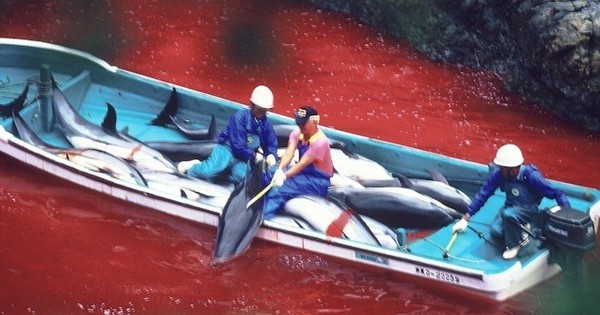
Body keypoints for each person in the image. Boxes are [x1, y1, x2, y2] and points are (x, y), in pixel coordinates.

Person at [452, 144, 571, 260]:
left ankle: (514, 245)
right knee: (496, 231)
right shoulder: (498, 175)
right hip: (510, 207)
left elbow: (557, 192)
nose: (506, 172)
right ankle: (523, 229)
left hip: (528, 209)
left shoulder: (530, 176)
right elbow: (483, 194)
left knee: (508, 215)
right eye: (503, 169)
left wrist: (566, 216)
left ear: (517, 166)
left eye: (509, 169)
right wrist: (466, 218)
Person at [177, 85, 278, 184]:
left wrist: (271, 154)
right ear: (251, 104)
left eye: (264, 111)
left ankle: (222, 175)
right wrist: (254, 155)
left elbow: (271, 143)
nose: (260, 113)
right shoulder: (239, 117)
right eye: (258, 109)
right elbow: (238, 146)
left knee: (243, 179)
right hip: (227, 149)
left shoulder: (266, 125)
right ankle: (193, 168)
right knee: (208, 172)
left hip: (243, 158)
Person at [262, 106, 334, 219]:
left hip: (317, 181)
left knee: (280, 189)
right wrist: (279, 170)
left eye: (303, 123)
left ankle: (262, 218)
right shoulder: (297, 133)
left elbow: (301, 164)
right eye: (299, 123)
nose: (301, 126)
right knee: (267, 174)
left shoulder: (320, 143)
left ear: (314, 122)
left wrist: (284, 176)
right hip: (303, 173)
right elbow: (289, 153)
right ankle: (257, 204)